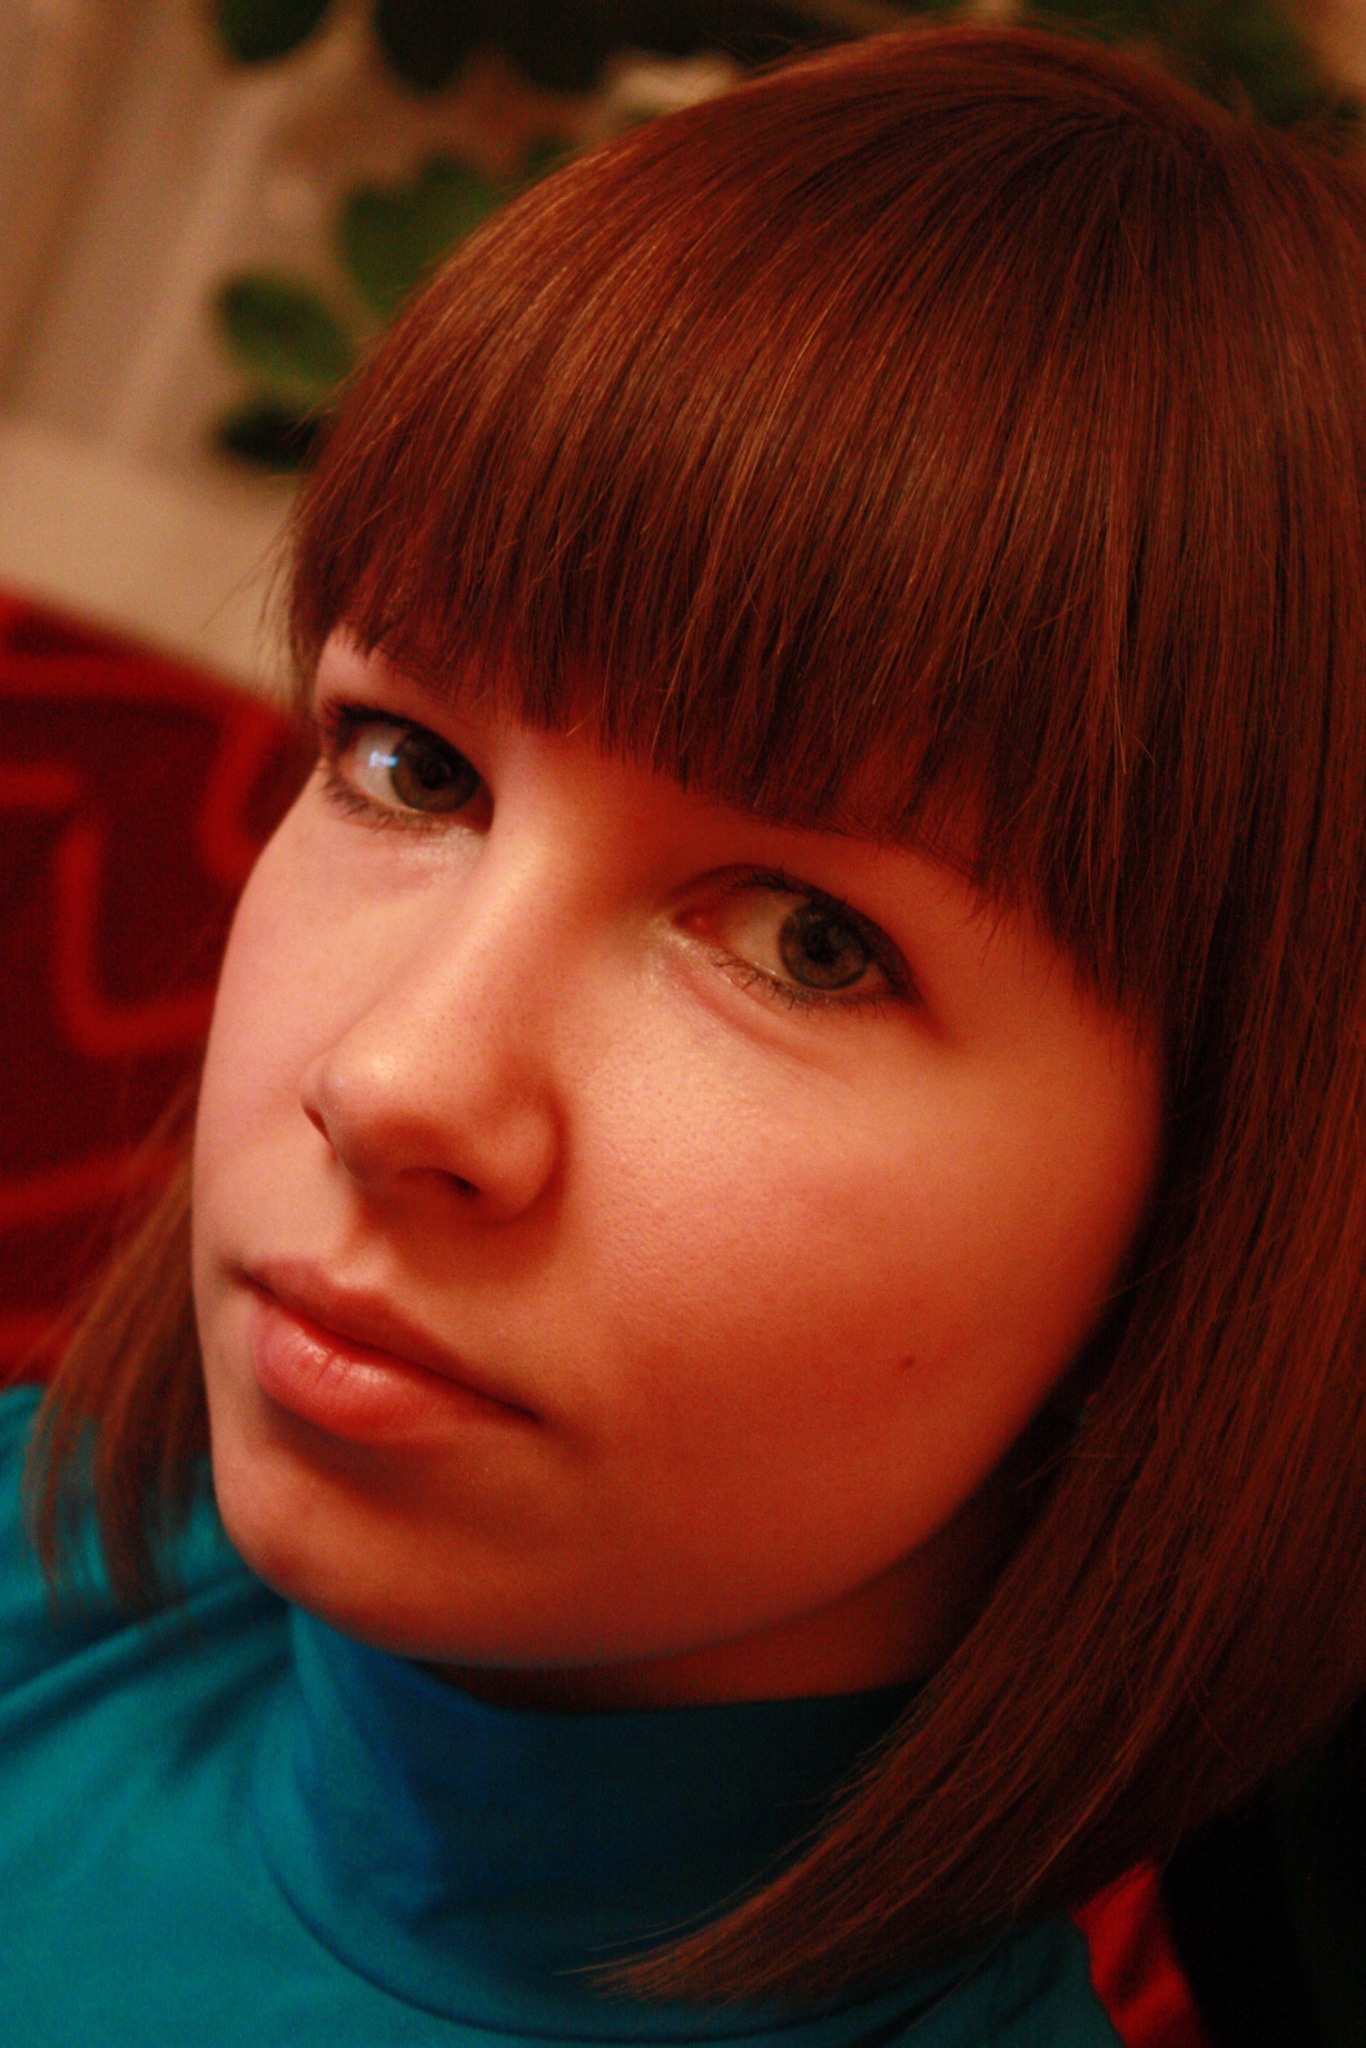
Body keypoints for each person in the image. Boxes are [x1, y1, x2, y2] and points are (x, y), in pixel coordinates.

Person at [3, 21, 1363, 2045]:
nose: (389, 1083)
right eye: (410, 765)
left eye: (808, 943)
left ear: (1210, 1230)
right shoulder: (62, 1542)